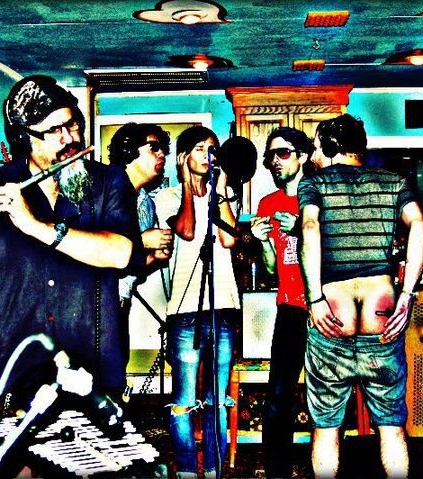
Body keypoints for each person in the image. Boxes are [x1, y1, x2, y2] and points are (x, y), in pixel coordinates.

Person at [0, 75, 144, 410]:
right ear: (24, 139)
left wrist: (36, 227)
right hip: (11, 366)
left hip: (90, 362)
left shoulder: (109, 182)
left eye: (72, 125)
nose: (70, 138)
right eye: (54, 131)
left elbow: (121, 253)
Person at [298, 113, 423, 478]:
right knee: (391, 425)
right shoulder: (393, 181)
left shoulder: (315, 183)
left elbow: (310, 226)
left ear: (329, 146)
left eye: (316, 146)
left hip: (332, 316)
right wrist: (406, 295)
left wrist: (314, 299)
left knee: (326, 427)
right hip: (381, 316)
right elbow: (419, 224)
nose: (314, 154)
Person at [154, 125, 240, 479]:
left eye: (213, 149)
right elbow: (187, 231)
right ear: (184, 156)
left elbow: (229, 239)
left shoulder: (224, 194)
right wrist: (190, 186)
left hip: (224, 306)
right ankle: (189, 470)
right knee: (185, 401)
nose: (209, 156)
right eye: (201, 149)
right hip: (185, 309)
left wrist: (220, 192)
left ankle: (216, 471)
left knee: (217, 400)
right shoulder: (168, 196)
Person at [250, 127, 314, 478]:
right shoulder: (268, 204)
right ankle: (277, 472)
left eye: (284, 153)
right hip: (289, 308)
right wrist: (263, 241)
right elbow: (273, 268)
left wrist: (303, 229)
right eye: (271, 155)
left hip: (323, 308)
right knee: (278, 395)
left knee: (325, 394)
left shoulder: (319, 197)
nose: (275, 161)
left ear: (302, 156)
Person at [107, 122, 174, 368]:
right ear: (128, 151)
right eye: (154, 148)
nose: (162, 154)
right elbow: (96, 251)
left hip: (121, 303)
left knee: (116, 372)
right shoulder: (103, 193)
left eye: (163, 148)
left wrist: (155, 257)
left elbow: (132, 268)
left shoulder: (146, 203)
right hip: (95, 304)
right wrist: (143, 240)